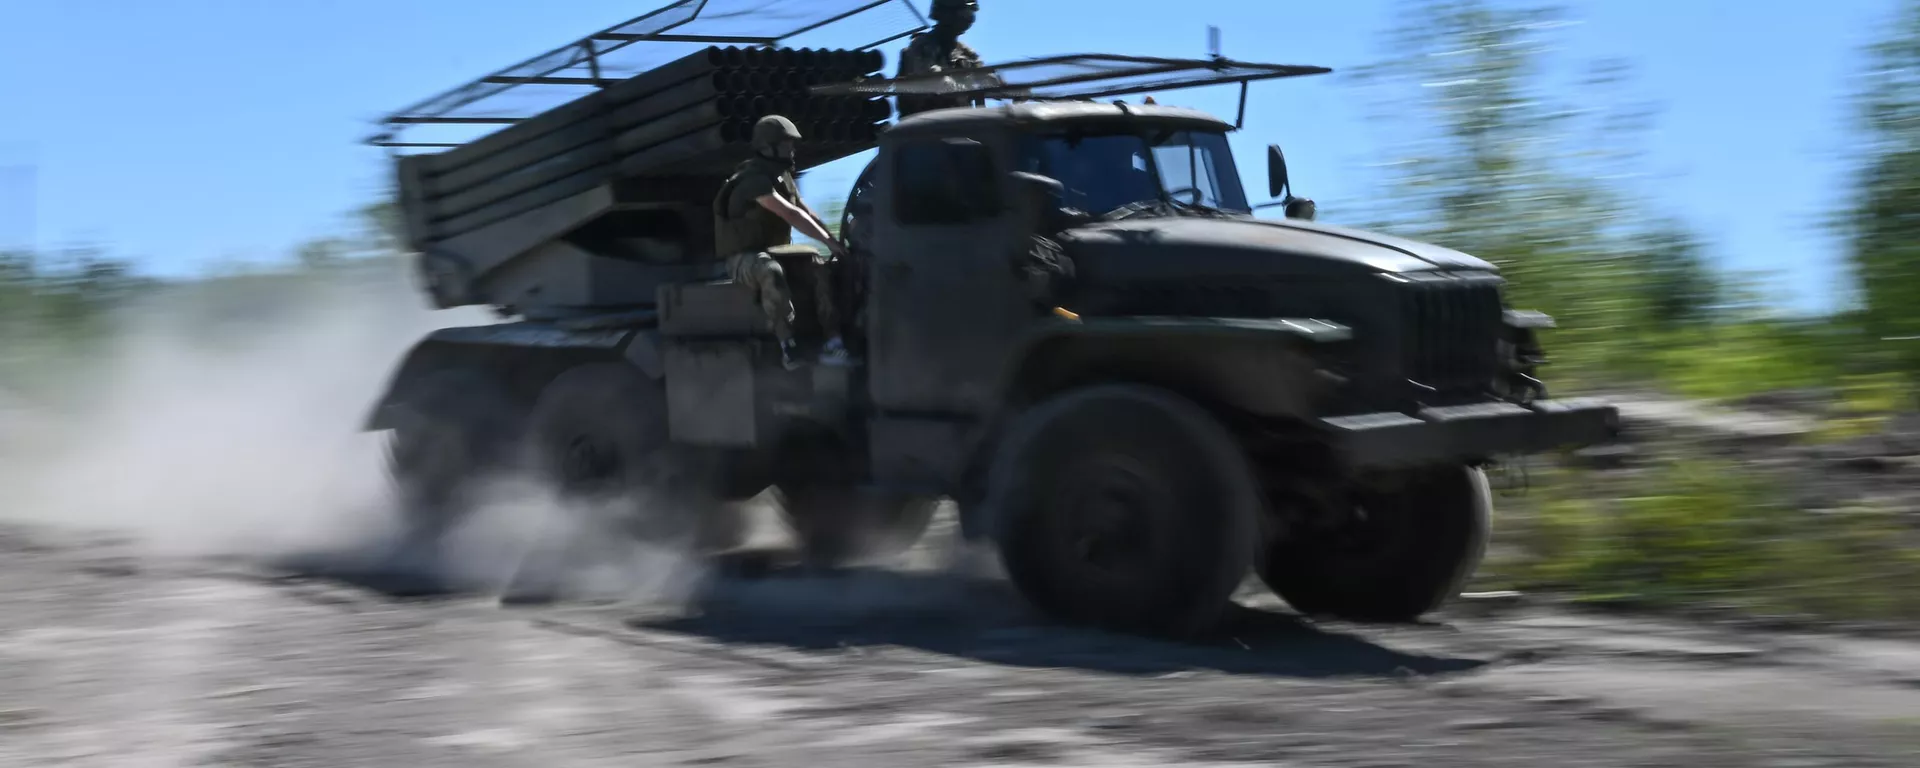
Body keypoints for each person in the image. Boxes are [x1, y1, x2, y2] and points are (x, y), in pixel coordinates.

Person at [714, 116, 850, 369]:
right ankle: (788, 346)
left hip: (774, 252)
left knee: (817, 265)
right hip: (743, 260)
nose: (792, 150)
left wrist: (835, 243)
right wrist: (829, 242)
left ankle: (834, 341)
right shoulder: (752, 179)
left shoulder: (782, 177)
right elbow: (790, 214)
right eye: (787, 145)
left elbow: (805, 212)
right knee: (771, 271)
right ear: (768, 147)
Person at [896, 0, 995, 117]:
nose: (969, 20)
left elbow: (988, 77)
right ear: (947, 14)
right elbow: (935, 80)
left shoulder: (965, 52)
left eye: (970, 14)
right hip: (924, 123)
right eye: (964, 14)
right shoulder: (922, 45)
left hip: (959, 122)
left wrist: (1010, 89)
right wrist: (969, 89)